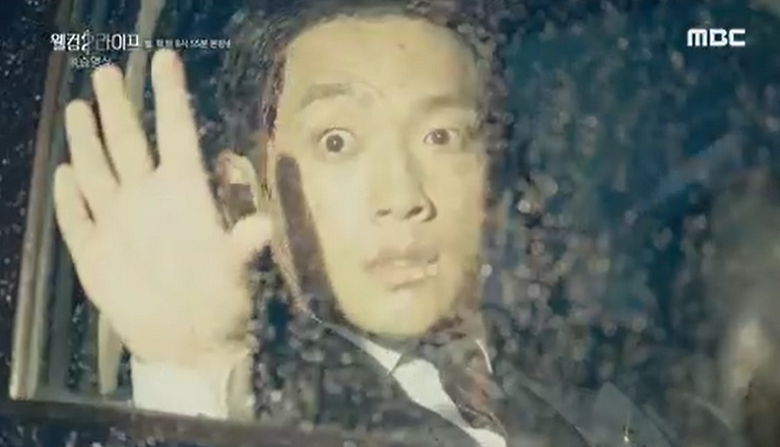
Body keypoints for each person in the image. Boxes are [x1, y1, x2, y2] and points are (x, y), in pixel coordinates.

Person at [52, 1, 680, 446]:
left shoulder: (606, 377)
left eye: (441, 136)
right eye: (337, 141)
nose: (402, 196)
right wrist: (192, 371)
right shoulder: (258, 405)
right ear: (246, 194)